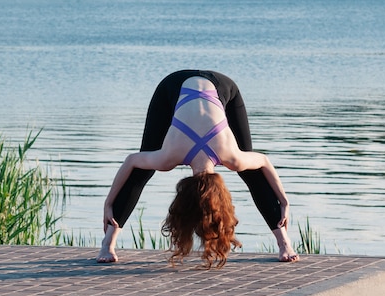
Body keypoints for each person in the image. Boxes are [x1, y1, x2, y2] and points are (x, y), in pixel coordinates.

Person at [97, 70, 299, 267]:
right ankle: (284, 243)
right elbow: (263, 160)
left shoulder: (180, 157)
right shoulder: (180, 156)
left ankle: (108, 244)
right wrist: (283, 200)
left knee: (143, 170)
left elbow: (131, 160)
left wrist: (109, 202)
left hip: (217, 86)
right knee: (249, 171)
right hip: (173, 88)